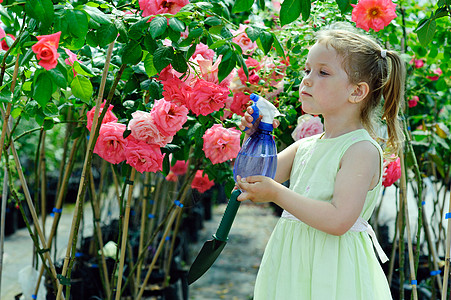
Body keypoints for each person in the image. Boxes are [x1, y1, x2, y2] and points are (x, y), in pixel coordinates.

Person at [236, 22, 405, 300]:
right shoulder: (306, 145)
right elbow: (251, 177)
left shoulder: (360, 150)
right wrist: (257, 136)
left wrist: (277, 193)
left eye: (323, 72)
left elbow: (339, 220)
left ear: (357, 92)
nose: (307, 79)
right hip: (295, 265)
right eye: (307, 70)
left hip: (334, 271)